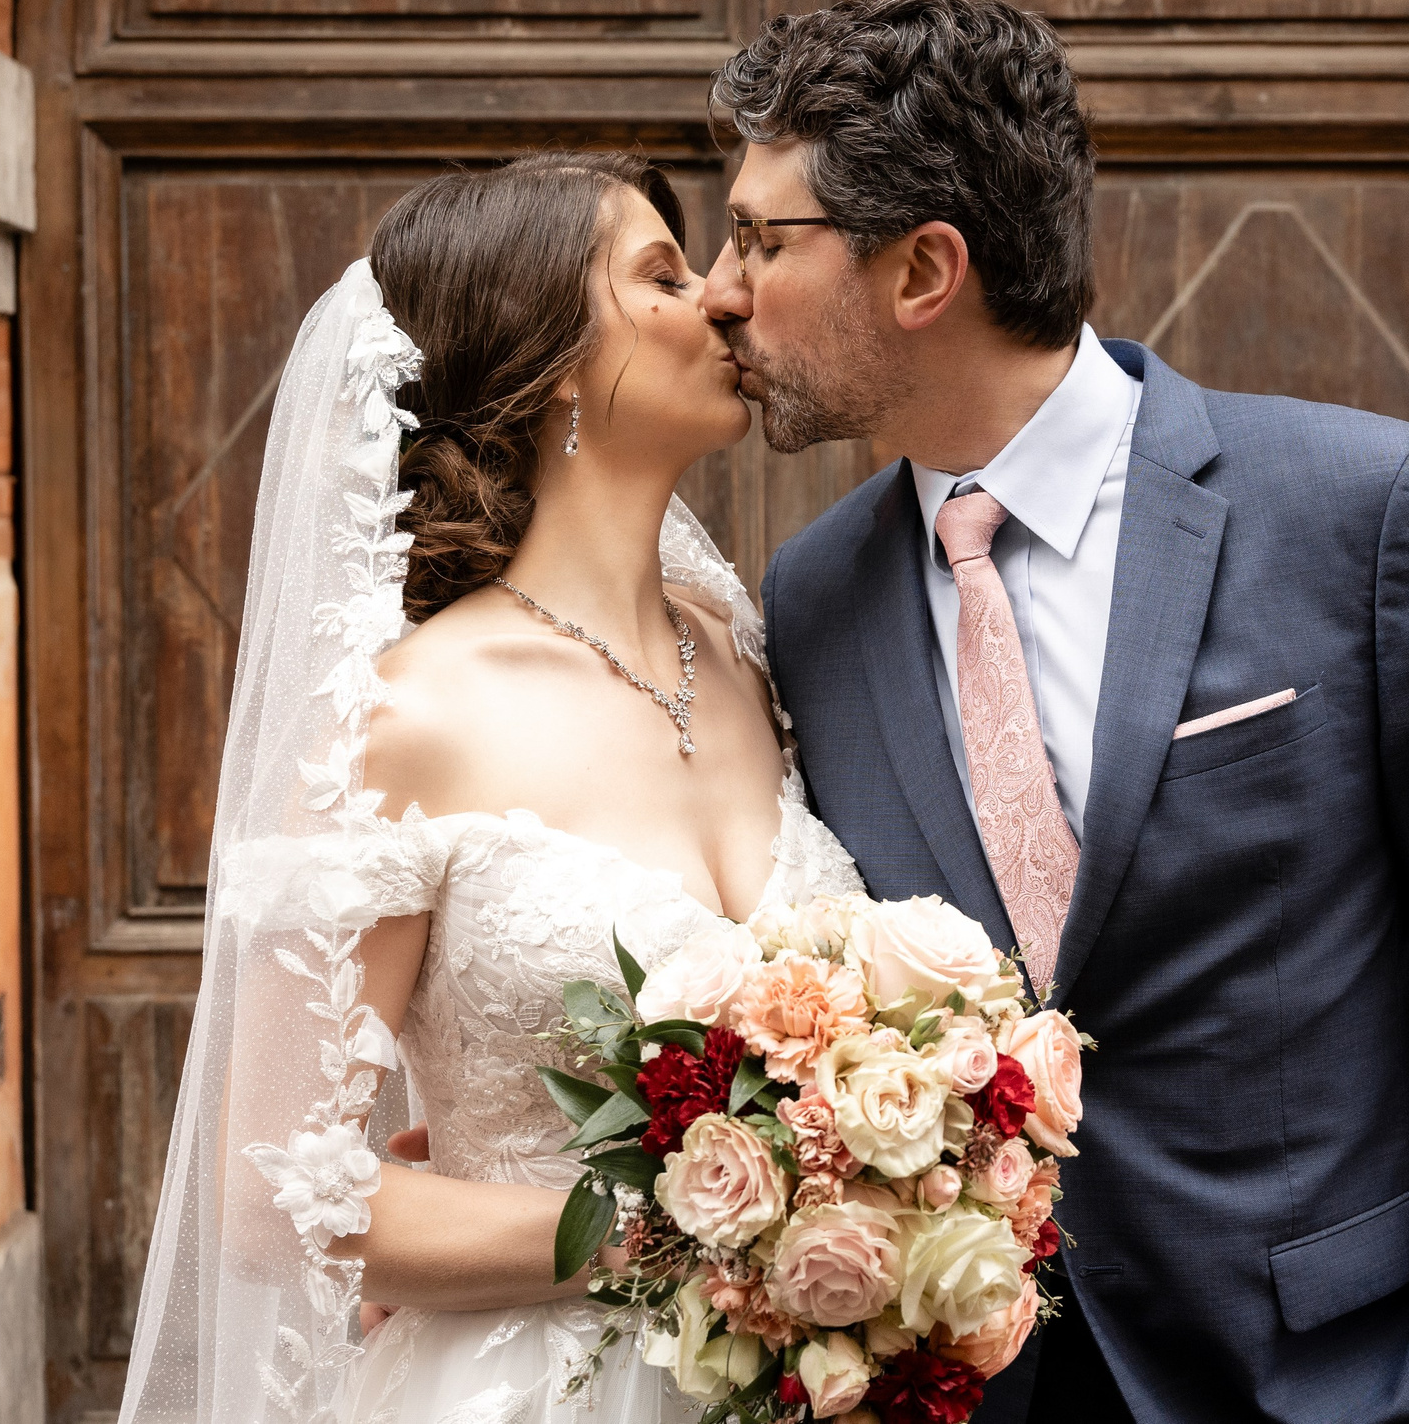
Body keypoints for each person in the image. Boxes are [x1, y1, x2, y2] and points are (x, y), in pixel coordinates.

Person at [705, 0, 1409, 1424]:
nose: (720, 288)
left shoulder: (1364, 513)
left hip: (1345, 1375)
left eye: (763, 241)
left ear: (924, 270)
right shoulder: (813, 595)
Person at [115, 152, 864, 1424]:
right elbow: (271, 1188)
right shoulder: (407, 716)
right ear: (554, 357)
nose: (719, 298)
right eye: (661, 276)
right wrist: (682, 1230)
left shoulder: (744, 655)